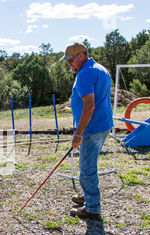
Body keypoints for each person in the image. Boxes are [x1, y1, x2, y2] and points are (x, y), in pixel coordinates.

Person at [60, 42, 113, 219]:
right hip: (102, 125)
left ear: (81, 56)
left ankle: (92, 208)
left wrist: (78, 133)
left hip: (91, 129)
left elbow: (89, 105)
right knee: (89, 164)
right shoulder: (100, 69)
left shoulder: (85, 74)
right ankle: (88, 195)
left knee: (86, 168)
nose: (69, 64)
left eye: (71, 60)